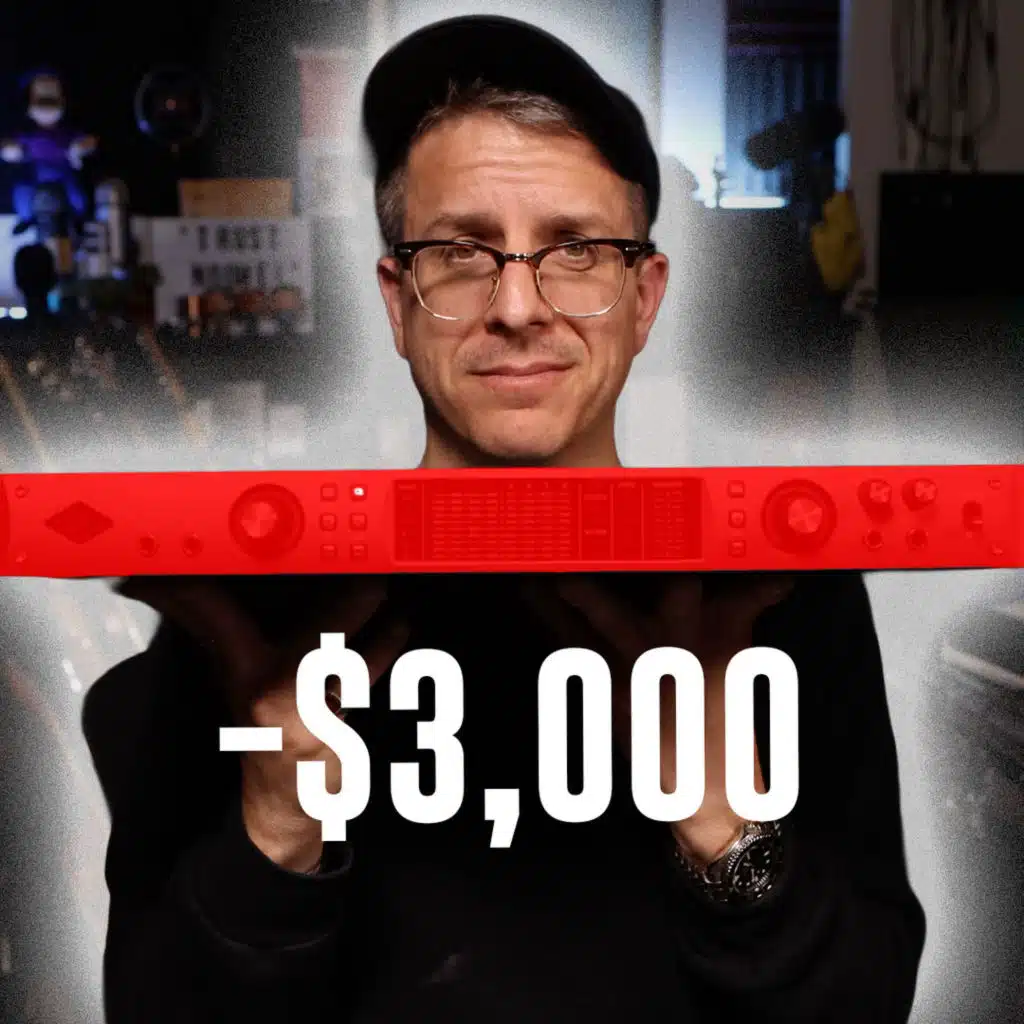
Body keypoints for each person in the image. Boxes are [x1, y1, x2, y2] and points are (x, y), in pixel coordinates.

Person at [83, 15, 925, 1023]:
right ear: (397, 300)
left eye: (576, 249)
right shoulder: (253, 614)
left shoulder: (778, 596)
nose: (518, 307)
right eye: (460, 252)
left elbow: (864, 1004)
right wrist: (274, 833)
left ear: (644, 296)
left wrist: (726, 827)